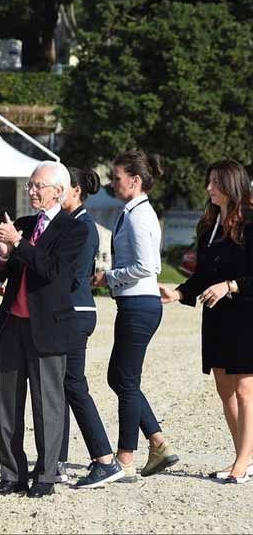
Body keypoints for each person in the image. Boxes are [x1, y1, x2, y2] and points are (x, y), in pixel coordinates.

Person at [0, 161, 86, 498]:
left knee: (48, 405)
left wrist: (20, 244)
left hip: (48, 328)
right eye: (29, 185)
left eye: (37, 186)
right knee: (7, 405)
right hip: (13, 324)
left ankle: (46, 476)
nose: (31, 191)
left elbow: (54, 272)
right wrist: (3, 254)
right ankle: (11, 474)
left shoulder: (75, 230)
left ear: (58, 191)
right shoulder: (24, 225)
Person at [160, 160, 253, 484]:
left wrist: (231, 285)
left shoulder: (251, 223)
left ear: (231, 183)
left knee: (244, 390)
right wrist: (178, 292)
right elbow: (202, 275)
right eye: (209, 181)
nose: (209, 188)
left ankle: (242, 462)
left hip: (246, 317)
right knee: (225, 390)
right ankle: (244, 455)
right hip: (216, 318)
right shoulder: (209, 225)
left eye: (215, 182)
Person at [92, 150, 179, 482]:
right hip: (134, 304)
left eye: (116, 178)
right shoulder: (131, 212)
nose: (112, 183)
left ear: (135, 180)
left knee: (126, 381)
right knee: (119, 377)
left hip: (140, 304)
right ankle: (157, 443)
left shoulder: (140, 216)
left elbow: (148, 266)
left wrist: (110, 276)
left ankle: (125, 457)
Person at [57, 167, 125, 488]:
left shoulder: (83, 227)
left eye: (61, 187)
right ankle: (56, 460)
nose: (56, 193)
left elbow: (68, 274)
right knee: (62, 387)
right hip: (68, 313)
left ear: (76, 191)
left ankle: (104, 459)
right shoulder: (70, 222)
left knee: (73, 385)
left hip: (76, 313)